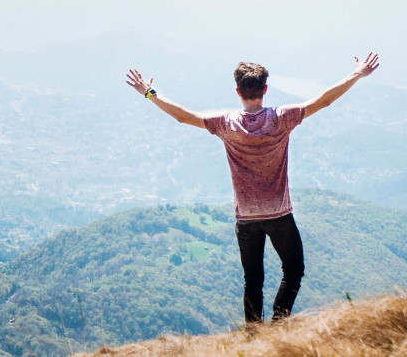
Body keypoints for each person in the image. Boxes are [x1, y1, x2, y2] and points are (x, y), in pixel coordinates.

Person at [124, 53, 381, 324]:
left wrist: (148, 93)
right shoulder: (282, 118)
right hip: (279, 214)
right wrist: (357, 74)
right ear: (265, 89)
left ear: (238, 91)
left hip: (246, 218)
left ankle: (253, 335)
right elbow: (324, 100)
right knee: (293, 271)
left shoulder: (226, 123)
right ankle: (279, 323)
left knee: (253, 280)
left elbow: (183, 117)